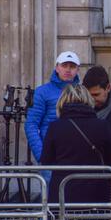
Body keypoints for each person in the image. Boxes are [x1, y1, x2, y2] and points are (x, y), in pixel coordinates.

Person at [41, 84, 111, 203]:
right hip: (95, 192)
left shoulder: (55, 127)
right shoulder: (102, 126)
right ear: (88, 100)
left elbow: (46, 160)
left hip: (63, 192)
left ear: (62, 101)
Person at [25, 51, 81, 183]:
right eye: (64, 65)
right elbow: (31, 125)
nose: (68, 70)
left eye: (72, 66)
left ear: (77, 69)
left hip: (76, 155)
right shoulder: (42, 92)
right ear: (57, 67)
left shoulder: (81, 92)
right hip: (52, 156)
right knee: (51, 198)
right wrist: (42, 155)